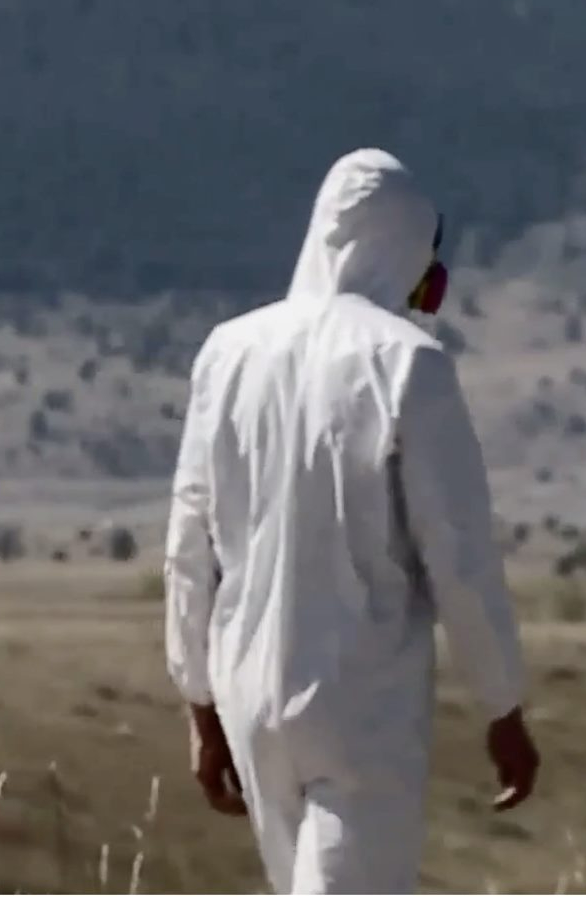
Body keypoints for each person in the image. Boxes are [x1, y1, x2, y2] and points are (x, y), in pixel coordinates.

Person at [163, 149, 539, 893]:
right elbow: (458, 557)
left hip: (248, 697)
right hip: (360, 704)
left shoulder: (227, 352)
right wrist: (502, 704)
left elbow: (187, 546)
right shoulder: (410, 364)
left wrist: (198, 702)